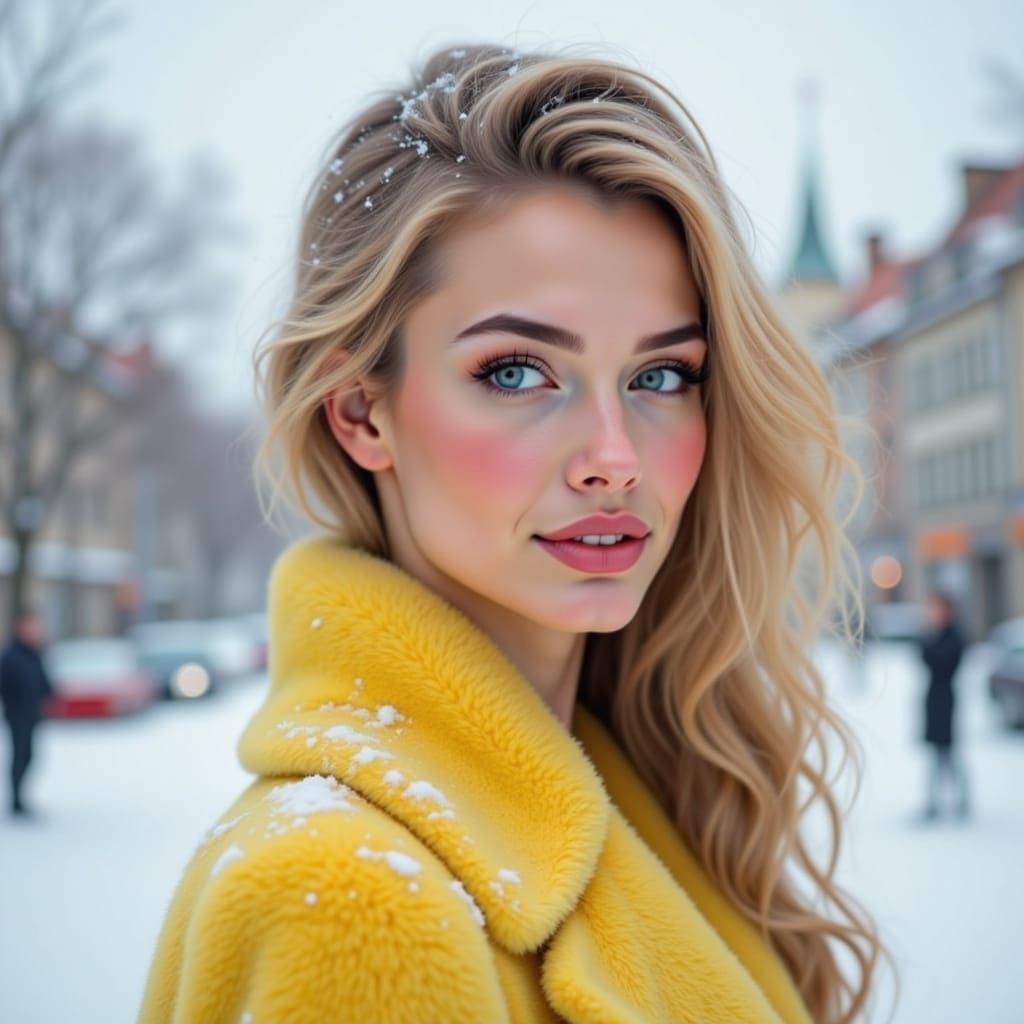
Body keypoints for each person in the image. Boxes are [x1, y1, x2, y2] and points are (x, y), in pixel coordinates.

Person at [139, 43, 898, 1024]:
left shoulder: (632, 790)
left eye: (662, 375)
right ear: (360, 412)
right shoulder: (353, 898)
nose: (614, 458)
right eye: (516, 371)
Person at [918, 589, 970, 821]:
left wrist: (929, 645)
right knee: (936, 755)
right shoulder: (934, 635)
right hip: (933, 699)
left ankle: (960, 800)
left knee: (949, 754)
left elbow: (941, 663)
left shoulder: (953, 637)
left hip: (946, 700)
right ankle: (933, 802)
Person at [0, 605, 55, 817]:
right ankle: (16, 801)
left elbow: (43, 681)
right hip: (17, 715)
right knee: (19, 756)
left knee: (30, 756)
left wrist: (49, 694)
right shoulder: (11, 655)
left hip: (32, 714)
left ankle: (20, 797)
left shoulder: (34, 653)